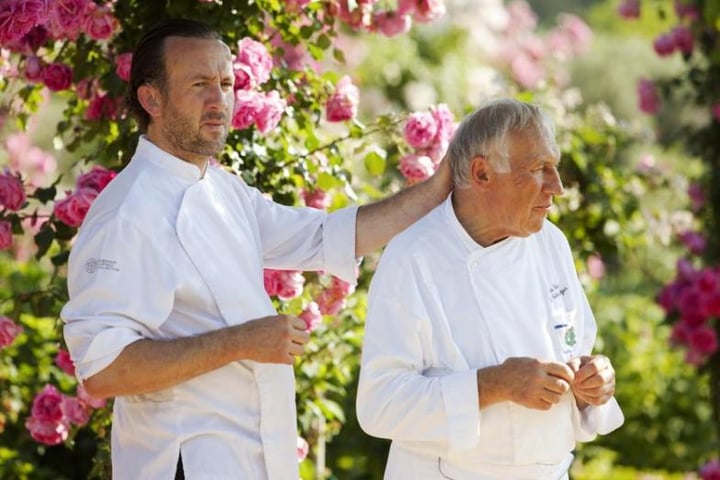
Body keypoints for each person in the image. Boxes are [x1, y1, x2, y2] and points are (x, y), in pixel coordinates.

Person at [60, 19, 451, 480]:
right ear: (152, 99)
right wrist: (242, 342)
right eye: (199, 84)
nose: (218, 101)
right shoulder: (128, 213)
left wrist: (439, 187)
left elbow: (330, 236)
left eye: (226, 84)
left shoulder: (223, 190)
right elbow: (105, 369)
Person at [356, 98, 624, 480]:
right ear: (481, 174)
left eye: (555, 167)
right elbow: (379, 406)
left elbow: (574, 349)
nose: (558, 187)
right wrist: (493, 385)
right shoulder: (414, 256)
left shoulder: (551, 242)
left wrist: (594, 381)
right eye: (538, 169)